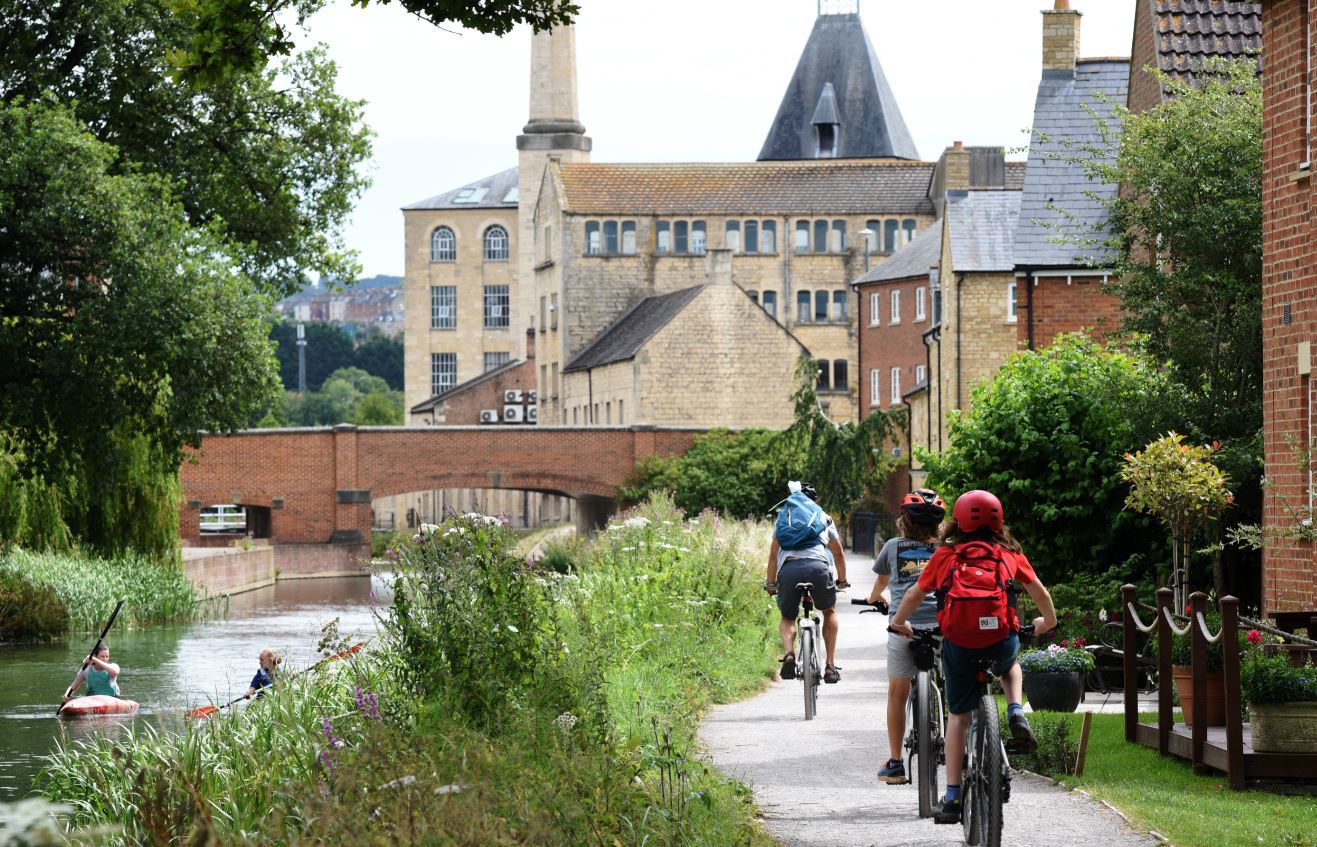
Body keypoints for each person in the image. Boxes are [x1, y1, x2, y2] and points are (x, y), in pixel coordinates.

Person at [888, 489, 1056, 824]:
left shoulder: (946, 555)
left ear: (958, 522)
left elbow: (914, 593)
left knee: (959, 717)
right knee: (1010, 662)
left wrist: (898, 622)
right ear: (999, 521)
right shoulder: (1009, 554)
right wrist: (1047, 622)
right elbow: (1039, 590)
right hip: (999, 638)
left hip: (960, 643)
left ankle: (951, 798)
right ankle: (1015, 709)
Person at [868, 488, 945, 785]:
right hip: (942, 628)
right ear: (939, 524)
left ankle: (896, 763)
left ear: (904, 520)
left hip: (903, 628)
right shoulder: (945, 550)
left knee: (897, 693)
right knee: (953, 684)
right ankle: (962, 756)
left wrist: (874, 598)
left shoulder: (892, 547)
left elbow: (881, 582)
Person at [766, 482, 850, 684]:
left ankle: (788, 654)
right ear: (813, 500)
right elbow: (838, 554)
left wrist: (771, 584)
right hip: (818, 568)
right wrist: (842, 580)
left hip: (789, 570)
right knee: (829, 611)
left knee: (787, 617)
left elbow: (772, 556)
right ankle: (829, 665)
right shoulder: (823, 517)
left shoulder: (784, 518)